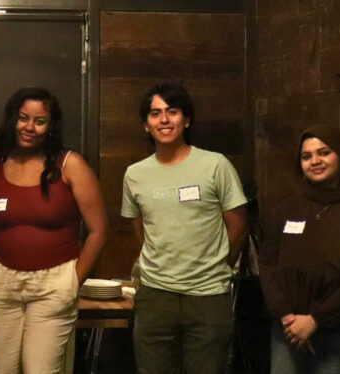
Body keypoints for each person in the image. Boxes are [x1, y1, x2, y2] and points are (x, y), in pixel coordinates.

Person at [0, 87, 108, 373]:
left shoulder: (70, 164)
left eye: (40, 121)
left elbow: (98, 230)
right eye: (23, 118)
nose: (29, 128)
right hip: (1, 282)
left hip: (54, 282)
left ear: (51, 126)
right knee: (3, 369)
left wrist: (73, 280)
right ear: (12, 119)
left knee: (41, 370)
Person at [120, 82, 248, 374]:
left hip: (207, 297)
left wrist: (214, 267)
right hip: (154, 296)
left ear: (186, 119)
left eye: (172, 111)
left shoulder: (216, 165)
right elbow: (138, 229)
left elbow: (238, 227)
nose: (164, 120)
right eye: (155, 114)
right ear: (145, 125)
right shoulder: (135, 174)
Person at [259, 125, 340, 374]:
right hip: (288, 330)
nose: (315, 161)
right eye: (306, 156)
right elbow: (267, 262)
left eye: (324, 153)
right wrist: (287, 315)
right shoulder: (287, 208)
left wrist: (315, 319)